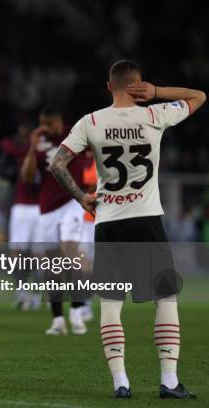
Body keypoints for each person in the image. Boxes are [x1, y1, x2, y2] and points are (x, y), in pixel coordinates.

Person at [49, 59, 205, 399]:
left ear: (109, 86)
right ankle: (168, 381)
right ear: (139, 85)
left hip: (109, 222)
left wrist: (81, 197)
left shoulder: (90, 122)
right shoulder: (155, 114)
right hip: (147, 219)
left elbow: (57, 163)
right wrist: (158, 92)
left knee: (110, 303)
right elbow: (199, 96)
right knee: (165, 297)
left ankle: (121, 383)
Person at [20, 105, 88, 335]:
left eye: (50, 124)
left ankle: (77, 312)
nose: (46, 128)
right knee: (52, 263)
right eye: (43, 123)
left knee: (70, 253)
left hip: (72, 202)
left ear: (60, 121)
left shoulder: (75, 134)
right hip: (48, 207)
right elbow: (28, 177)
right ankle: (58, 319)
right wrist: (31, 146)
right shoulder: (39, 142)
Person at [0, 124, 42, 310]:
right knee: (17, 252)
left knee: (39, 254)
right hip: (21, 206)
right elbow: (2, 166)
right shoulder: (15, 151)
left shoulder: (44, 153)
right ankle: (22, 292)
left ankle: (37, 293)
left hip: (41, 207)